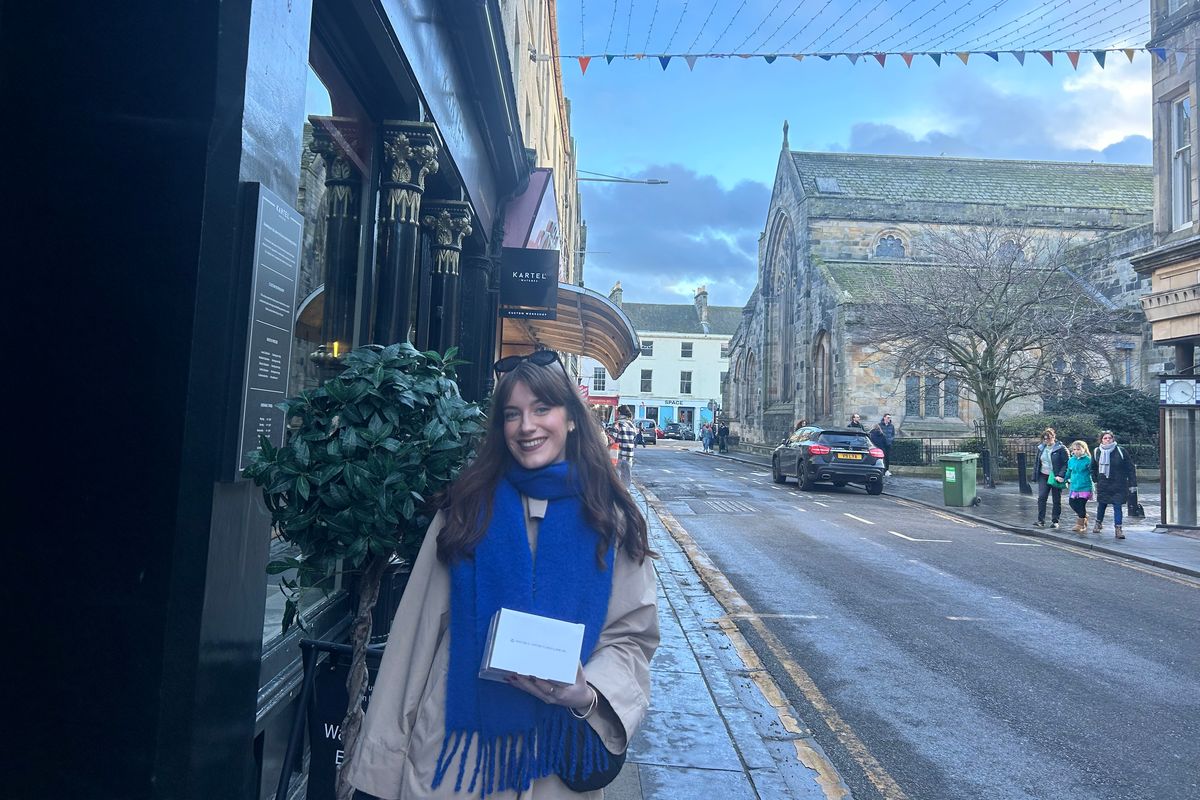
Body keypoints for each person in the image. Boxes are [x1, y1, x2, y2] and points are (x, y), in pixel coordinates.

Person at [347, 350, 659, 799]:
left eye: (541, 409)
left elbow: (631, 636)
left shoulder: (610, 520)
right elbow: (415, 637)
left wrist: (588, 692)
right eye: (512, 414)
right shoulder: (466, 509)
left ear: (572, 418)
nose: (526, 426)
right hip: (453, 760)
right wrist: (378, 770)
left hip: (553, 765)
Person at [1090, 430, 1137, 540]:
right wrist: (1095, 479)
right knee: (1102, 505)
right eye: (1105, 438)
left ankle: (1118, 528)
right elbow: (1093, 467)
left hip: (1118, 483)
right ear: (1101, 440)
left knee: (1117, 506)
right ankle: (1098, 523)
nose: (1107, 440)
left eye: (1109, 438)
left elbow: (1130, 468)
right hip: (1103, 483)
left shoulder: (1121, 451)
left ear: (1113, 439)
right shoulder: (1097, 451)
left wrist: (1132, 483)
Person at [1032, 427, 1068, 528]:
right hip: (1043, 475)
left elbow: (1066, 463)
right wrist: (1035, 476)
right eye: (1045, 438)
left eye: (1049, 438)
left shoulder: (1061, 448)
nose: (1047, 440)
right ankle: (1041, 520)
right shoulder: (1041, 448)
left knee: (1056, 499)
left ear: (1053, 437)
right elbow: (1037, 462)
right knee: (1042, 497)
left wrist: (1061, 475)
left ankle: (1055, 521)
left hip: (1055, 476)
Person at [1065, 440, 1094, 534]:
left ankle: (1080, 524)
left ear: (1084, 449)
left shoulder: (1088, 460)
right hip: (1074, 486)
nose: (1076, 451)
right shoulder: (1071, 460)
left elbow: (1092, 472)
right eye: (1074, 449)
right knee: (1072, 503)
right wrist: (1064, 478)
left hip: (1085, 486)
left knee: (1081, 505)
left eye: (1078, 449)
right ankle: (1084, 516)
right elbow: (1069, 471)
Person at [613, 405, 637, 486]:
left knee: (617, 482)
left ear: (619, 413)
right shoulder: (632, 425)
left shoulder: (617, 424)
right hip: (629, 457)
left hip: (618, 457)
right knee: (626, 482)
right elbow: (634, 438)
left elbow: (612, 439)